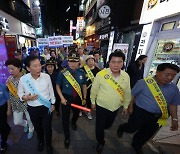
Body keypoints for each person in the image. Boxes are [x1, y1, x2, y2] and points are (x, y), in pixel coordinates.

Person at [117, 63, 180, 154]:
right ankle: (122, 127)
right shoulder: (143, 83)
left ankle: (136, 145)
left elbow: (173, 104)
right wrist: (130, 107)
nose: (170, 78)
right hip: (140, 112)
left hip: (159, 116)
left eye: (173, 76)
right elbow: (132, 95)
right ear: (158, 72)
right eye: (167, 74)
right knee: (131, 128)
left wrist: (175, 119)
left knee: (146, 134)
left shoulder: (174, 88)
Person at [90, 50, 131, 153]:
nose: (116, 65)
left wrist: (126, 106)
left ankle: (103, 128)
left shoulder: (126, 76)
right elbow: (94, 89)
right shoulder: (101, 74)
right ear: (109, 62)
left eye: (119, 62)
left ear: (123, 63)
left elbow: (127, 92)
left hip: (115, 107)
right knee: (99, 127)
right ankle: (100, 142)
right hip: (101, 106)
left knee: (108, 125)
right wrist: (92, 102)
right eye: (113, 62)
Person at [18, 56, 56, 154]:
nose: (39, 68)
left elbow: (51, 90)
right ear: (28, 68)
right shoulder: (23, 79)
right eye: (35, 66)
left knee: (47, 128)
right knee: (38, 127)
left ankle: (48, 144)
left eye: (39, 65)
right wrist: (25, 97)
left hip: (46, 107)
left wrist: (53, 103)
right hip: (32, 108)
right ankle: (41, 141)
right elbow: (20, 94)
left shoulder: (46, 76)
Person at [56, 51, 87, 148]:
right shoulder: (63, 73)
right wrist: (61, 98)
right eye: (70, 61)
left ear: (79, 62)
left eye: (75, 61)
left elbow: (84, 86)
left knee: (76, 114)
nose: (73, 64)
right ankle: (67, 137)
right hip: (66, 98)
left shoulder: (81, 72)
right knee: (65, 118)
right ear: (67, 61)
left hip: (77, 98)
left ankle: (73, 122)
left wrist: (84, 98)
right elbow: (57, 86)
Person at [5, 58, 34, 140]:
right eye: (9, 69)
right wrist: (9, 108)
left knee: (30, 119)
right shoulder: (10, 80)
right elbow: (10, 94)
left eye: (12, 69)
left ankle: (31, 129)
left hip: (27, 103)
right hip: (16, 104)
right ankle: (25, 124)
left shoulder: (27, 78)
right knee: (16, 121)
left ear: (19, 68)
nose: (10, 71)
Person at [80, 55, 100, 119]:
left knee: (89, 101)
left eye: (92, 60)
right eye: (89, 60)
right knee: (82, 100)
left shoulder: (98, 70)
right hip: (83, 88)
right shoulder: (82, 69)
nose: (91, 62)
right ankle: (80, 110)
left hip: (92, 89)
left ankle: (88, 112)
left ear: (94, 61)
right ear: (86, 62)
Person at [0, 82, 11, 153]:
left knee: (2, 127)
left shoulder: (3, 86)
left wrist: (9, 110)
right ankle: (8, 128)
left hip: (2, 108)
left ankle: (3, 143)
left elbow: (8, 99)